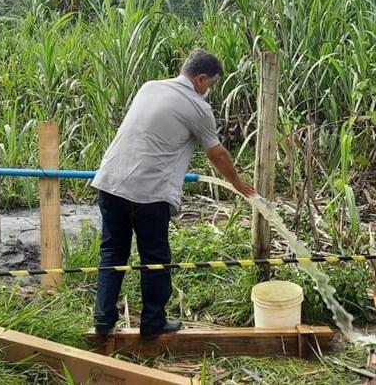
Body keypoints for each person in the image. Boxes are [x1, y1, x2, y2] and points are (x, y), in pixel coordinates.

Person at [91, 49, 256, 341]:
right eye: (211, 84)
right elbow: (216, 153)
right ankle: (153, 325)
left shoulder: (150, 87)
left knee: (112, 254)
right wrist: (238, 183)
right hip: (148, 194)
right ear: (200, 78)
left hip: (110, 182)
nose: (210, 91)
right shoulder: (197, 106)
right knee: (155, 259)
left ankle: (103, 323)